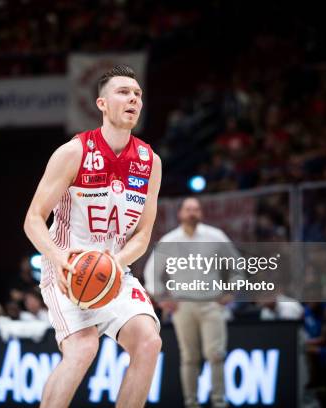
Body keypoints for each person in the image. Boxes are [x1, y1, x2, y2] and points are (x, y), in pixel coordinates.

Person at [24, 64, 162, 408]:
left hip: (113, 268)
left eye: (138, 94)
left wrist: (113, 264)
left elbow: (143, 235)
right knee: (84, 347)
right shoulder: (74, 152)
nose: (133, 98)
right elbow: (33, 219)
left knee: (149, 342)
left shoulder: (150, 161)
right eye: (123, 92)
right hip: (67, 271)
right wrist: (61, 261)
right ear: (102, 104)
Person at [144, 197, 238, 408]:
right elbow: (151, 273)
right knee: (189, 357)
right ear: (181, 214)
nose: (192, 213)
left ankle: (219, 401)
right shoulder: (169, 241)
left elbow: (236, 266)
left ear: (201, 213)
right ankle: (191, 402)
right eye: (188, 209)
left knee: (216, 354)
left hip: (211, 303)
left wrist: (231, 290)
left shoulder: (215, 236)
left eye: (196, 209)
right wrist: (161, 298)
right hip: (182, 306)